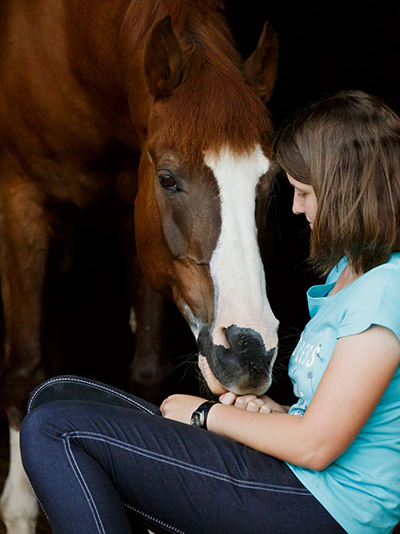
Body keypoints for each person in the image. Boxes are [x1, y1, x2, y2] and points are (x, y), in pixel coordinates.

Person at [20, 90, 400, 534]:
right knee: (58, 399)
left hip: (321, 510)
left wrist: (206, 415)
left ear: (343, 193)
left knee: (54, 432)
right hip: (296, 487)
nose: (295, 208)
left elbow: (317, 446)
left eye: (304, 192)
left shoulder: (385, 290)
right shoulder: (349, 277)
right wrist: (272, 412)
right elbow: (320, 423)